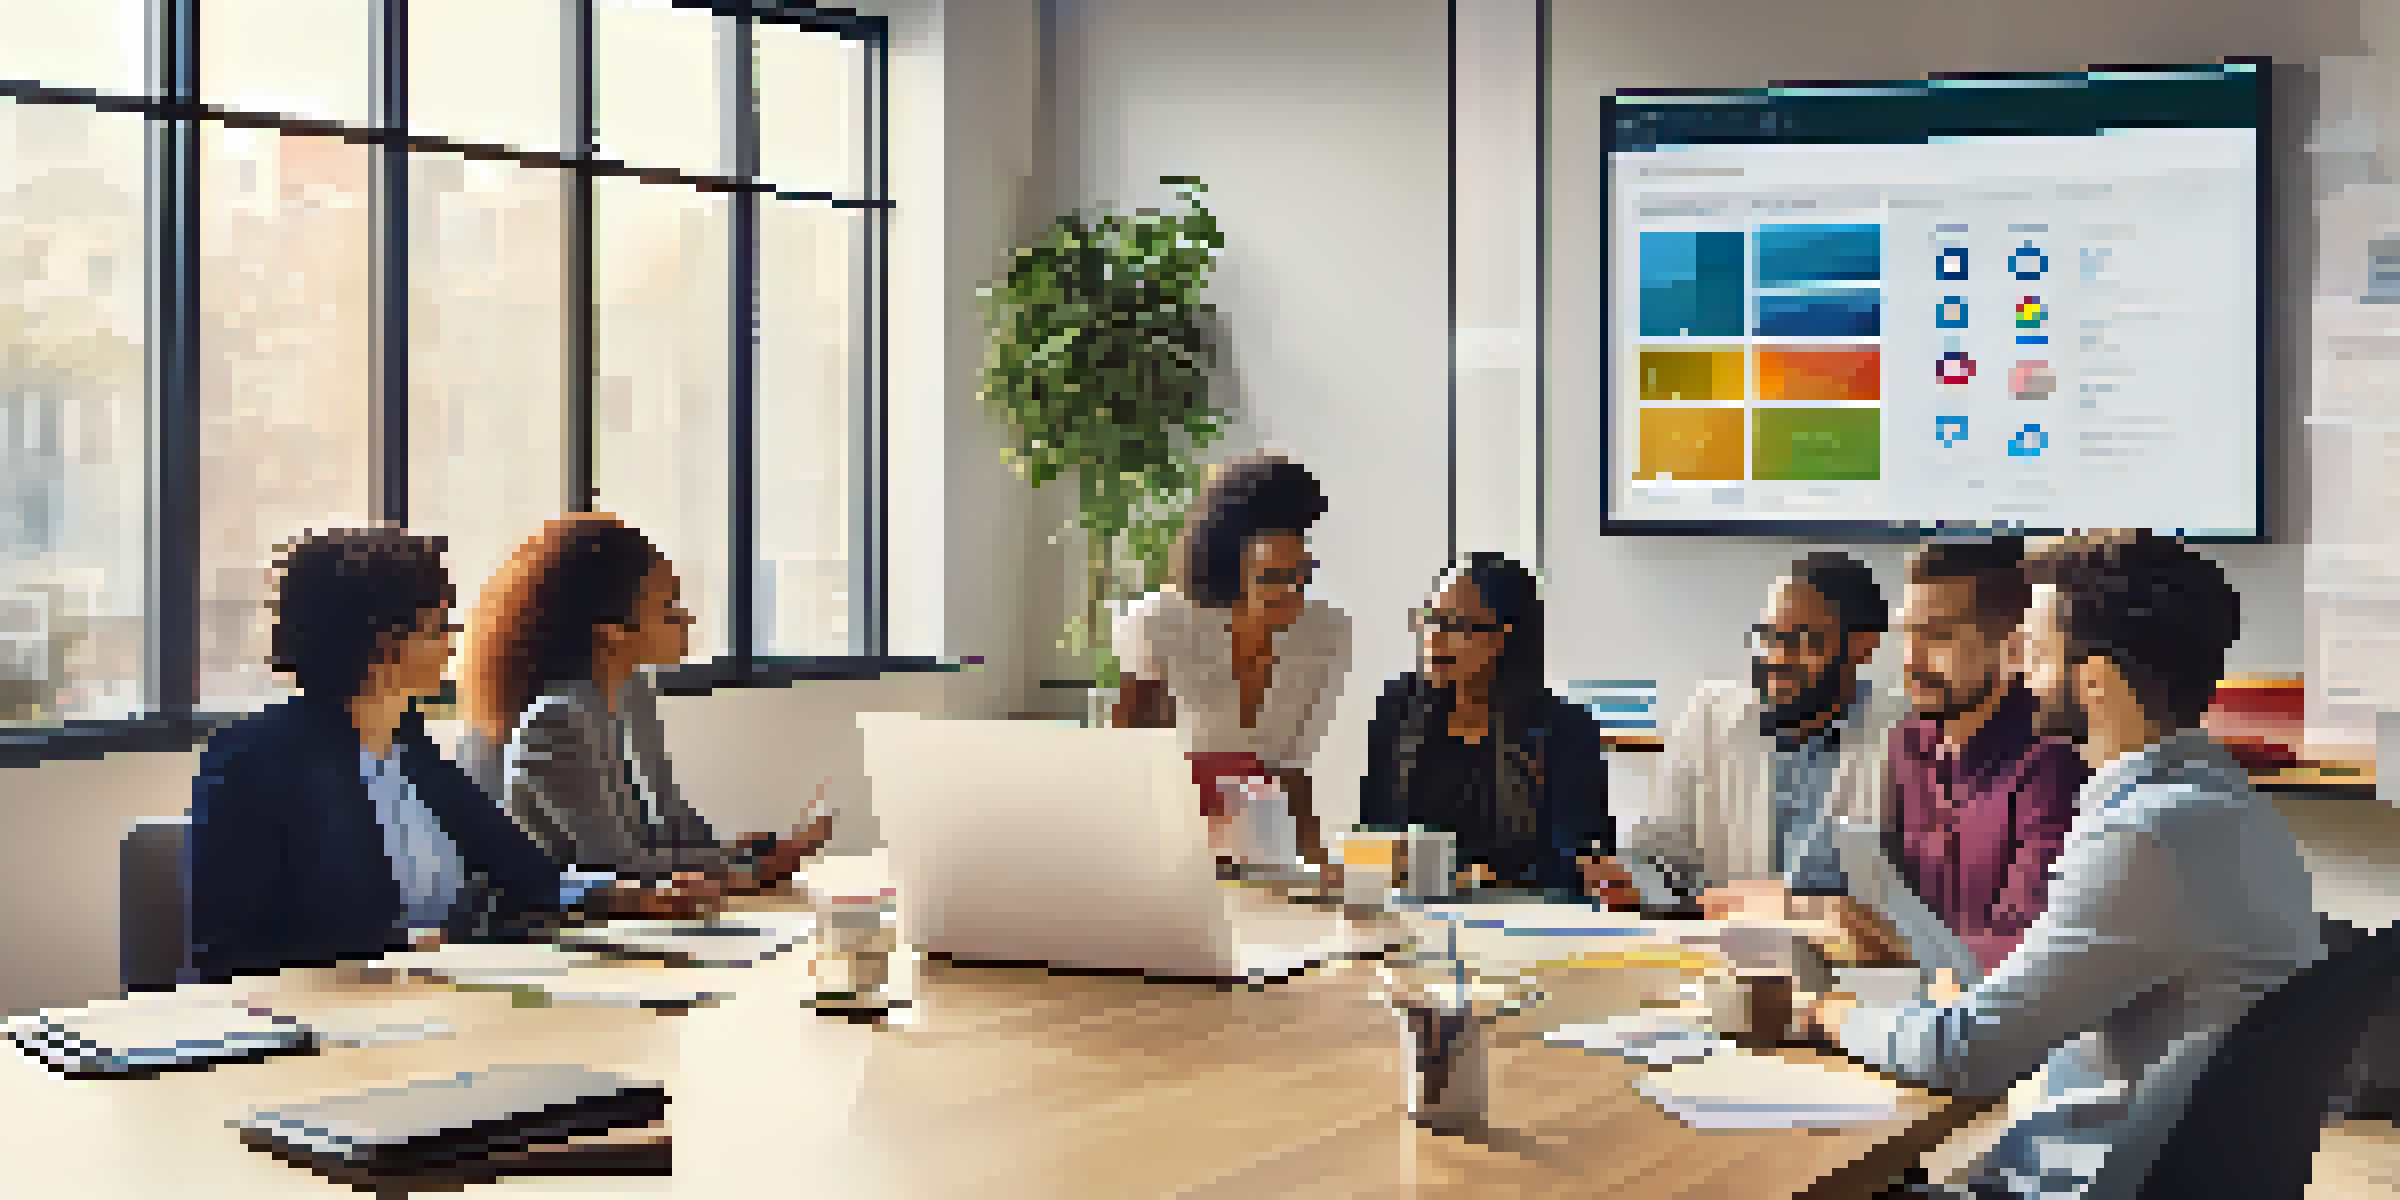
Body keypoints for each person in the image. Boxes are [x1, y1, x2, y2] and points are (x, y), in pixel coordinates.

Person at [1802, 530, 2323, 1200]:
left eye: (2038, 654)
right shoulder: (2221, 805)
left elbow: (1969, 1055)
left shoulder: (2145, 838)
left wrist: (1832, 1016)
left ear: (2095, 683)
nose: (2021, 673)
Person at [186, 528, 718, 981]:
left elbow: (528, 874)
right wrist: (388, 955)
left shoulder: (410, 747)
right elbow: (228, 957)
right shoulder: (253, 763)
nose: (453, 643)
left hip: (437, 1008)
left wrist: (625, 896)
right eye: (439, 627)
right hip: (331, 1037)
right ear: (384, 644)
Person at [459, 513, 829, 887]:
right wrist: (752, 871)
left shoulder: (630, 692)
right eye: (669, 609)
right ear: (612, 632)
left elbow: (670, 825)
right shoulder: (557, 721)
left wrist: (744, 852)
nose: (687, 620)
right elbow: (614, 864)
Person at [1594, 552, 1912, 958]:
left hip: (1854, 978)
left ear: (1862, 646)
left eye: (1802, 641)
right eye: (1768, 637)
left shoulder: (1911, 734)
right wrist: (1632, 881)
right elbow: (1664, 857)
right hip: (1724, 968)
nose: (1776, 659)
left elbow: (1912, 900)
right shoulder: (1711, 715)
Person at [1113, 454, 1352, 867]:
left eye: (1303, 574)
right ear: (1228, 568)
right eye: (1273, 578)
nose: (1293, 593)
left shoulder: (1326, 632)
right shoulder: (1159, 624)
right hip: (1166, 850)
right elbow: (1130, 762)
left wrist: (1318, 868)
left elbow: (1292, 772)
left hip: (1262, 849)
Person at [1357, 553, 1637, 902]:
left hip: (1526, 921)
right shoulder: (1399, 709)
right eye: (1430, 618)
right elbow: (1374, 834)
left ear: (1502, 637)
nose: (1434, 637)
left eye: (1454, 624)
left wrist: (1479, 879)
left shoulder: (1564, 730)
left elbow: (1578, 863)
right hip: (1414, 915)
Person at [1885, 538, 2087, 974]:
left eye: (1937, 636)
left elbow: (2024, 948)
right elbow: (1899, 907)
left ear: (2013, 647)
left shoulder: (2052, 762)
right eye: (1908, 634)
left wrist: (1895, 948)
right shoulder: (1909, 744)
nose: (1911, 660)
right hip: (1923, 1006)